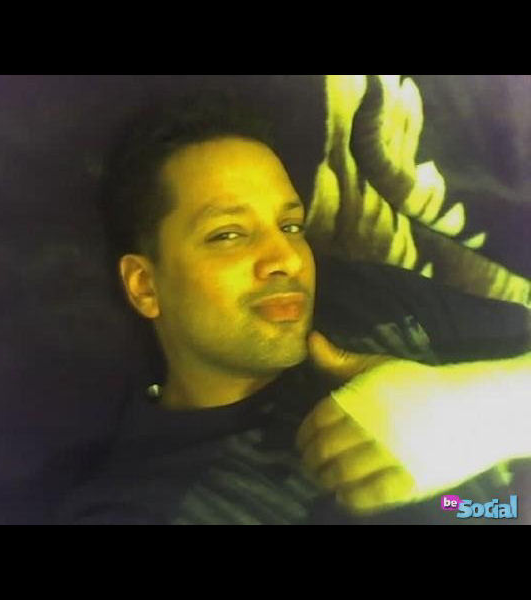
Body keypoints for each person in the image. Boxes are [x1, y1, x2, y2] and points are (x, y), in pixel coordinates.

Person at [57, 91, 531, 525]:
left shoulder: (366, 300)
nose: (287, 258)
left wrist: (481, 414)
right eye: (229, 234)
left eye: (290, 227)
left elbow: (491, 508)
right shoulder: (141, 505)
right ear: (145, 286)